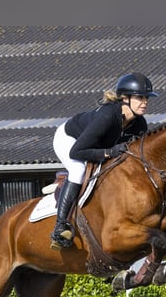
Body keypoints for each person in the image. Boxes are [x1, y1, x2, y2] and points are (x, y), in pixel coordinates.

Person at [49, 72, 158, 250]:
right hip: (70, 140)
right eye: (140, 97)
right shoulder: (107, 117)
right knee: (78, 170)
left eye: (146, 98)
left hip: (94, 146)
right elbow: (77, 151)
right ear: (125, 98)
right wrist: (109, 152)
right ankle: (60, 227)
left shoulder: (140, 124)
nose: (145, 102)